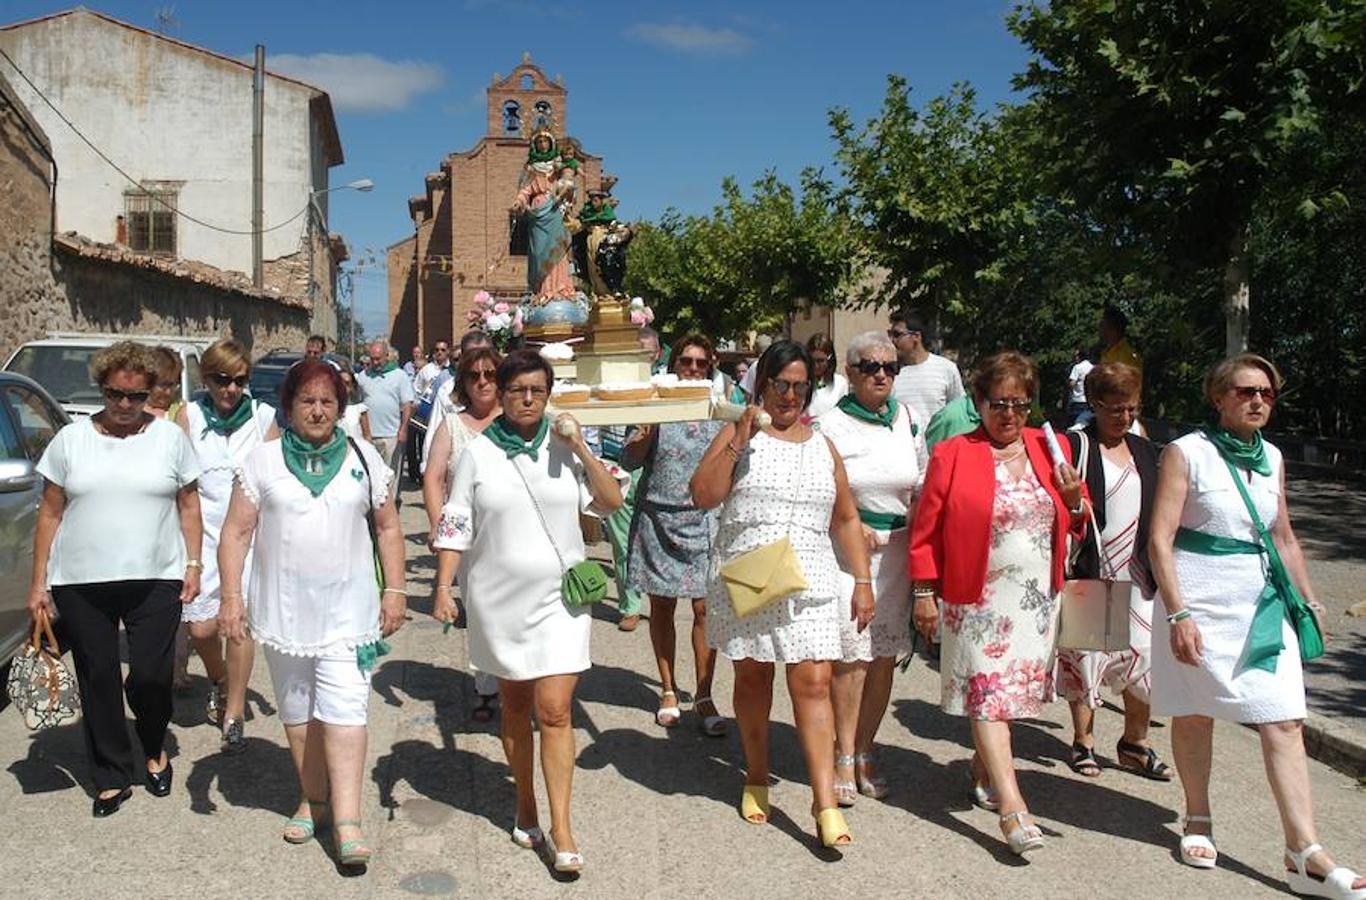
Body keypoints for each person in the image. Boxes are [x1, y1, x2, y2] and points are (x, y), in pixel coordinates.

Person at [1148, 355, 1362, 895]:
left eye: (1266, 392)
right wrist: (1178, 613)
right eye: (1245, 391)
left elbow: (1283, 534)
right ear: (1218, 397)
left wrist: (1309, 600)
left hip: (1262, 604)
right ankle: (1197, 817)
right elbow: (1160, 538)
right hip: (1198, 599)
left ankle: (1303, 850)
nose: (1258, 400)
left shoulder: (1272, 456)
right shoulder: (1186, 453)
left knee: (1285, 718)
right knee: (1196, 714)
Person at [431, 350, 625, 873]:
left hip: (560, 602)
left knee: (556, 709)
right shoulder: (479, 452)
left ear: (548, 393)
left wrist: (582, 447)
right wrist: (445, 586)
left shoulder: (564, 448)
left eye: (538, 390)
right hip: (498, 601)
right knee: (515, 706)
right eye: (517, 389)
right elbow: (456, 522)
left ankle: (562, 827)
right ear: (500, 391)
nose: (527, 399)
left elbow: (609, 503)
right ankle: (525, 802)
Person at [217, 359, 407, 864]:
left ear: (341, 408)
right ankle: (313, 799)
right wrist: (231, 597)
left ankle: (347, 820)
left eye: (328, 402)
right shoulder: (263, 461)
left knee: (345, 709)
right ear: (289, 407)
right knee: (298, 712)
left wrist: (396, 590)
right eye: (308, 401)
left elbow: (388, 527)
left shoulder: (364, 457)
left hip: (351, 613)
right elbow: (236, 532)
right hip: (283, 615)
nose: (318, 410)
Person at [691, 339, 874, 848]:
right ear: (762, 384)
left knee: (814, 682)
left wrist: (861, 580)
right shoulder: (739, 433)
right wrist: (740, 436)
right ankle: (756, 772)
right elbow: (702, 494)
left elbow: (846, 517)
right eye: (780, 385)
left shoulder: (823, 445)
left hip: (811, 576)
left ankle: (825, 804)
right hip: (751, 572)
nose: (790, 395)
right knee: (753, 677)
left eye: (799, 386)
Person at [908, 351, 1087, 856]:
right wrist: (925, 593)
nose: (1010, 414)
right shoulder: (953, 453)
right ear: (979, 402)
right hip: (976, 598)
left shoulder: (1047, 447)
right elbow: (925, 532)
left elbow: (1076, 516)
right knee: (988, 694)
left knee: (1008, 700)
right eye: (999, 403)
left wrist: (1074, 499)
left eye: (1020, 404)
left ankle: (983, 768)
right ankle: (1013, 810)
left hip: (1034, 600)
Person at [27, 341, 203, 817]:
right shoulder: (70, 441)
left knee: (149, 675)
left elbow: (189, 504)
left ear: (150, 393)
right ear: (101, 389)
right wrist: (39, 582)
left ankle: (153, 743)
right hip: (81, 581)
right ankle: (110, 774)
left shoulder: (169, 438)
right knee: (98, 676)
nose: (125, 406)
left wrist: (194, 563)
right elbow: (49, 512)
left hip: (157, 575)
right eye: (115, 394)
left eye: (137, 396)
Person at [818, 331, 927, 805]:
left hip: (898, 552)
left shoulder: (908, 418)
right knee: (851, 657)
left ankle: (865, 748)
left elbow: (920, 484)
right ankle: (841, 752)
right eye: (871, 366)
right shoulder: (830, 425)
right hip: (849, 553)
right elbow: (819, 490)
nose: (882, 374)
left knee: (883, 655)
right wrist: (850, 523)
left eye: (890, 367)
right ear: (850, 371)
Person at [1055, 363, 1170, 781]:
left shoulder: (1144, 449)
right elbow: (1062, 505)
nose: (1125, 418)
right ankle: (1083, 739)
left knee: (1146, 657)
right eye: (1116, 409)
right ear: (1096, 405)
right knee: (1087, 656)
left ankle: (1135, 742)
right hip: (1092, 565)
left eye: (1132, 409)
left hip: (1137, 571)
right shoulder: (1077, 446)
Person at [175, 339, 278, 753]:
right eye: (222, 380)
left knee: (238, 623)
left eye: (239, 380)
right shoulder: (189, 416)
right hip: (203, 536)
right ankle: (220, 678)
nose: (230, 389)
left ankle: (234, 709)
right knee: (201, 627)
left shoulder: (262, 417)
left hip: (248, 538)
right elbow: (180, 484)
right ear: (206, 378)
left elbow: (275, 477)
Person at [621, 334, 726, 732]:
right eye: (687, 362)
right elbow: (628, 458)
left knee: (704, 610)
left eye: (701, 363)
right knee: (662, 607)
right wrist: (645, 433)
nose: (694, 369)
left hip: (703, 519)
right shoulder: (655, 403)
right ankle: (667, 688)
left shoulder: (718, 407)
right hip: (658, 517)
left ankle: (704, 693)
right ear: (674, 364)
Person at [422, 344, 502, 722]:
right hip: (468, 538)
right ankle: (487, 684)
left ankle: (519, 679)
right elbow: (434, 477)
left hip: (513, 531)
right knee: (482, 611)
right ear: (463, 383)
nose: (483, 381)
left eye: (490, 373)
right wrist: (441, 529)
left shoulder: (515, 418)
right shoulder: (451, 425)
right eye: (474, 375)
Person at [888, 309, 965, 421]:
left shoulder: (946, 369)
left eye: (896, 335)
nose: (891, 340)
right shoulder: (888, 372)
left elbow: (959, 411)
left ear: (916, 337)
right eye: (890, 334)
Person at [356, 340, 414, 479]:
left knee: (391, 475)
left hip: (391, 435)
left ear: (386, 356)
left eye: (378, 359)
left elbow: (407, 404)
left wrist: (403, 429)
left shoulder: (399, 376)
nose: (375, 362)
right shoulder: (363, 376)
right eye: (372, 359)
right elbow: (358, 403)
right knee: (371, 474)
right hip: (368, 435)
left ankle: (392, 500)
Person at [410, 340, 453, 487]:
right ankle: (429, 477)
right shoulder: (426, 370)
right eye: (437, 350)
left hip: (449, 414)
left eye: (443, 349)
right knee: (427, 445)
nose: (439, 352)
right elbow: (416, 390)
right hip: (429, 414)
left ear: (448, 351)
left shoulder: (454, 369)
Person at [804, 332, 848, 419]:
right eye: (812, 361)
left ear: (830, 359)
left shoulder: (840, 383)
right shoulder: (802, 382)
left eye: (820, 361)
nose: (816, 366)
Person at [1100, 306, 1142, 373]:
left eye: (1106, 327)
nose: (1102, 331)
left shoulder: (1129, 357)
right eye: (1102, 326)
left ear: (1117, 329)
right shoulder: (1105, 353)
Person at [147, 346, 183, 421]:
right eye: (163, 385)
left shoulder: (183, 412)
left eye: (173, 385)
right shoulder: (130, 412)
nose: (168, 392)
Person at [337, 367, 373, 444]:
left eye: (347, 383)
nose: (343, 387)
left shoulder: (360, 408)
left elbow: (367, 436)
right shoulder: (329, 409)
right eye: (340, 383)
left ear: (352, 386)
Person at [1065, 346, 1096, 425]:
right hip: (1089, 401)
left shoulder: (1077, 367)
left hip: (1077, 400)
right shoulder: (1093, 368)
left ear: (1079, 356)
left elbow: (1072, 384)